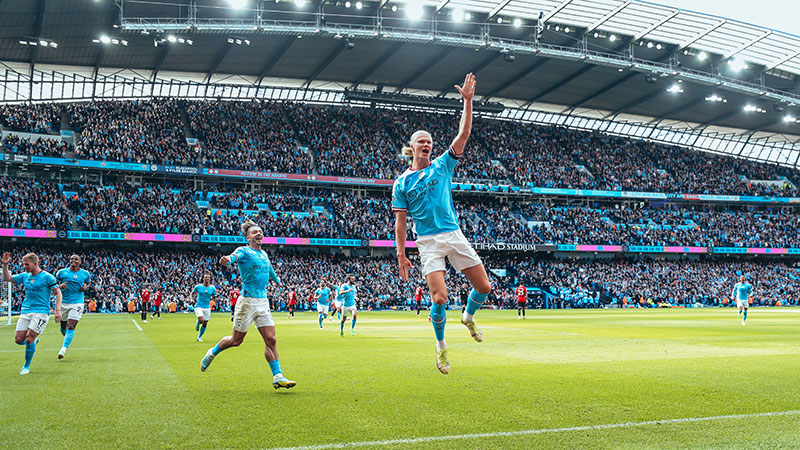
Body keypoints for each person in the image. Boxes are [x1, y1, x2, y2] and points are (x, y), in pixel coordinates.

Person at [392, 73, 491, 375]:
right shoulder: (401, 183)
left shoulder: (442, 165)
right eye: (421, 141)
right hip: (428, 242)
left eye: (429, 142)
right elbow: (400, 222)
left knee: (484, 287)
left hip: (453, 234)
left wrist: (468, 101)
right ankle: (441, 344)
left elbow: (463, 133)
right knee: (439, 297)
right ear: (411, 147)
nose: (426, 144)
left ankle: (468, 317)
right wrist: (401, 253)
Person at [201, 220, 295, 389]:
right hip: (247, 302)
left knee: (271, 339)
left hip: (263, 302)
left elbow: (270, 269)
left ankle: (277, 376)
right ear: (247, 237)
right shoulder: (244, 250)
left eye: (260, 231)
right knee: (236, 341)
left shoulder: (264, 254)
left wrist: (277, 280)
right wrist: (228, 260)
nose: (259, 233)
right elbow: (234, 257)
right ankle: (212, 352)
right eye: (254, 232)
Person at [2, 252, 62, 375]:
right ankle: (34, 341)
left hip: (41, 312)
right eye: (24, 264)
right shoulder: (25, 276)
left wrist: (57, 311)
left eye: (27, 264)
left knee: (29, 338)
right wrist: (5, 265)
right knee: (18, 340)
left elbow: (58, 293)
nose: (24, 266)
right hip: (26, 310)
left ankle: (26, 366)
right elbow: (7, 278)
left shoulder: (47, 277)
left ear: (35, 264)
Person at [55, 254, 92, 359]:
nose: (73, 261)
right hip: (63, 302)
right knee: (63, 326)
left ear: (80, 262)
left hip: (77, 302)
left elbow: (89, 282)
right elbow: (53, 284)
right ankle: (67, 337)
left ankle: (63, 350)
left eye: (76, 259)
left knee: (71, 326)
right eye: (72, 259)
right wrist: (60, 286)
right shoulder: (61, 272)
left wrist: (86, 287)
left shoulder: (85, 273)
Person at [192, 274, 217, 342]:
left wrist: (215, 300)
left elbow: (214, 296)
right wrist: (192, 299)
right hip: (199, 306)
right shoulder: (198, 287)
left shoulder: (212, 288)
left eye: (208, 277)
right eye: (206, 277)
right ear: (203, 278)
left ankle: (199, 337)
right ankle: (198, 321)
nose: (207, 278)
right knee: (201, 320)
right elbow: (193, 293)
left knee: (205, 322)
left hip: (207, 307)